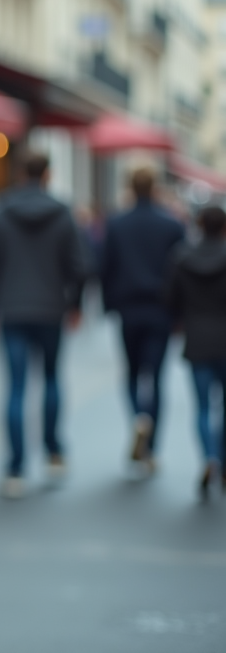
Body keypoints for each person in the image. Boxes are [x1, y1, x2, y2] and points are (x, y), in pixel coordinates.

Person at [0, 153, 86, 499]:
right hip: (51, 308)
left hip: (12, 309)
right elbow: (80, 264)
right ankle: (54, 453)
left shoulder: (1, 211)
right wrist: (75, 304)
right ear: (49, 174)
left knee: (15, 388)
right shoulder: (63, 212)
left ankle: (15, 468)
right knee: (52, 380)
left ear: (22, 172)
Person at [100, 167, 185, 474]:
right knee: (157, 376)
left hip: (129, 309)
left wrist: (109, 305)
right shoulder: (172, 225)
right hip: (161, 311)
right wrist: (180, 312)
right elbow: (182, 270)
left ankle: (138, 417)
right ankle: (151, 445)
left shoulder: (117, 223)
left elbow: (105, 266)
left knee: (133, 373)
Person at [165, 205, 226, 501]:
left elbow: (170, 298)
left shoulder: (182, 257)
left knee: (202, 407)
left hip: (198, 338)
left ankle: (209, 457)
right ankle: (222, 460)